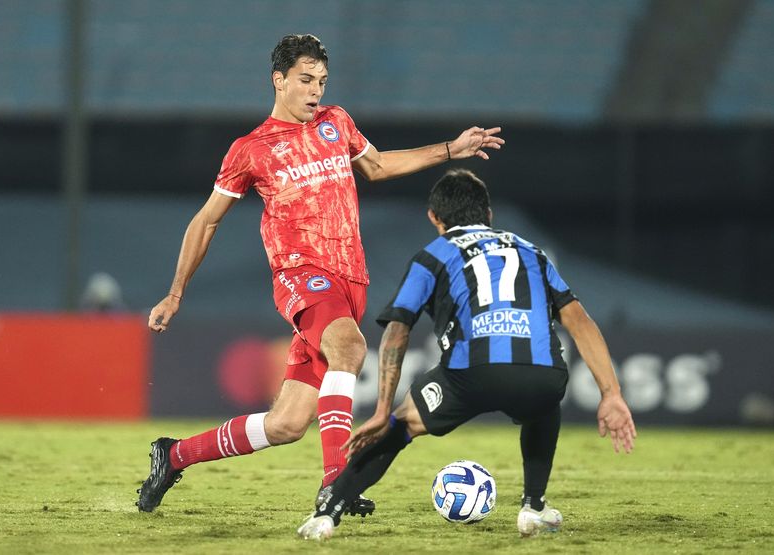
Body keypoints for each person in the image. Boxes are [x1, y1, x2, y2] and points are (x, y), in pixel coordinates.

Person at [135, 35, 505, 515]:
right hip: (301, 275)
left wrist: (451, 149)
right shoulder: (250, 150)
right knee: (350, 348)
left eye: (322, 81)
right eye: (306, 80)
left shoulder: (337, 122)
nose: (315, 91)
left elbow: (376, 165)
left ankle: (174, 455)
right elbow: (206, 220)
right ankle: (337, 487)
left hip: (350, 279)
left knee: (287, 424)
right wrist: (175, 292)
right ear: (279, 80)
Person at [298, 169, 636, 540]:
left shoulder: (434, 255)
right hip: (542, 373)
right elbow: (580, 321)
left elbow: (398, 328)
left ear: (435, 218)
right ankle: (533, 507)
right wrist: (611, 394)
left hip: (471, 374)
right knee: (543, 404)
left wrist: (382, 409)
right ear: (488, 214)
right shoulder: (532, 251)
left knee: (401, 424)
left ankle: (327, 514)